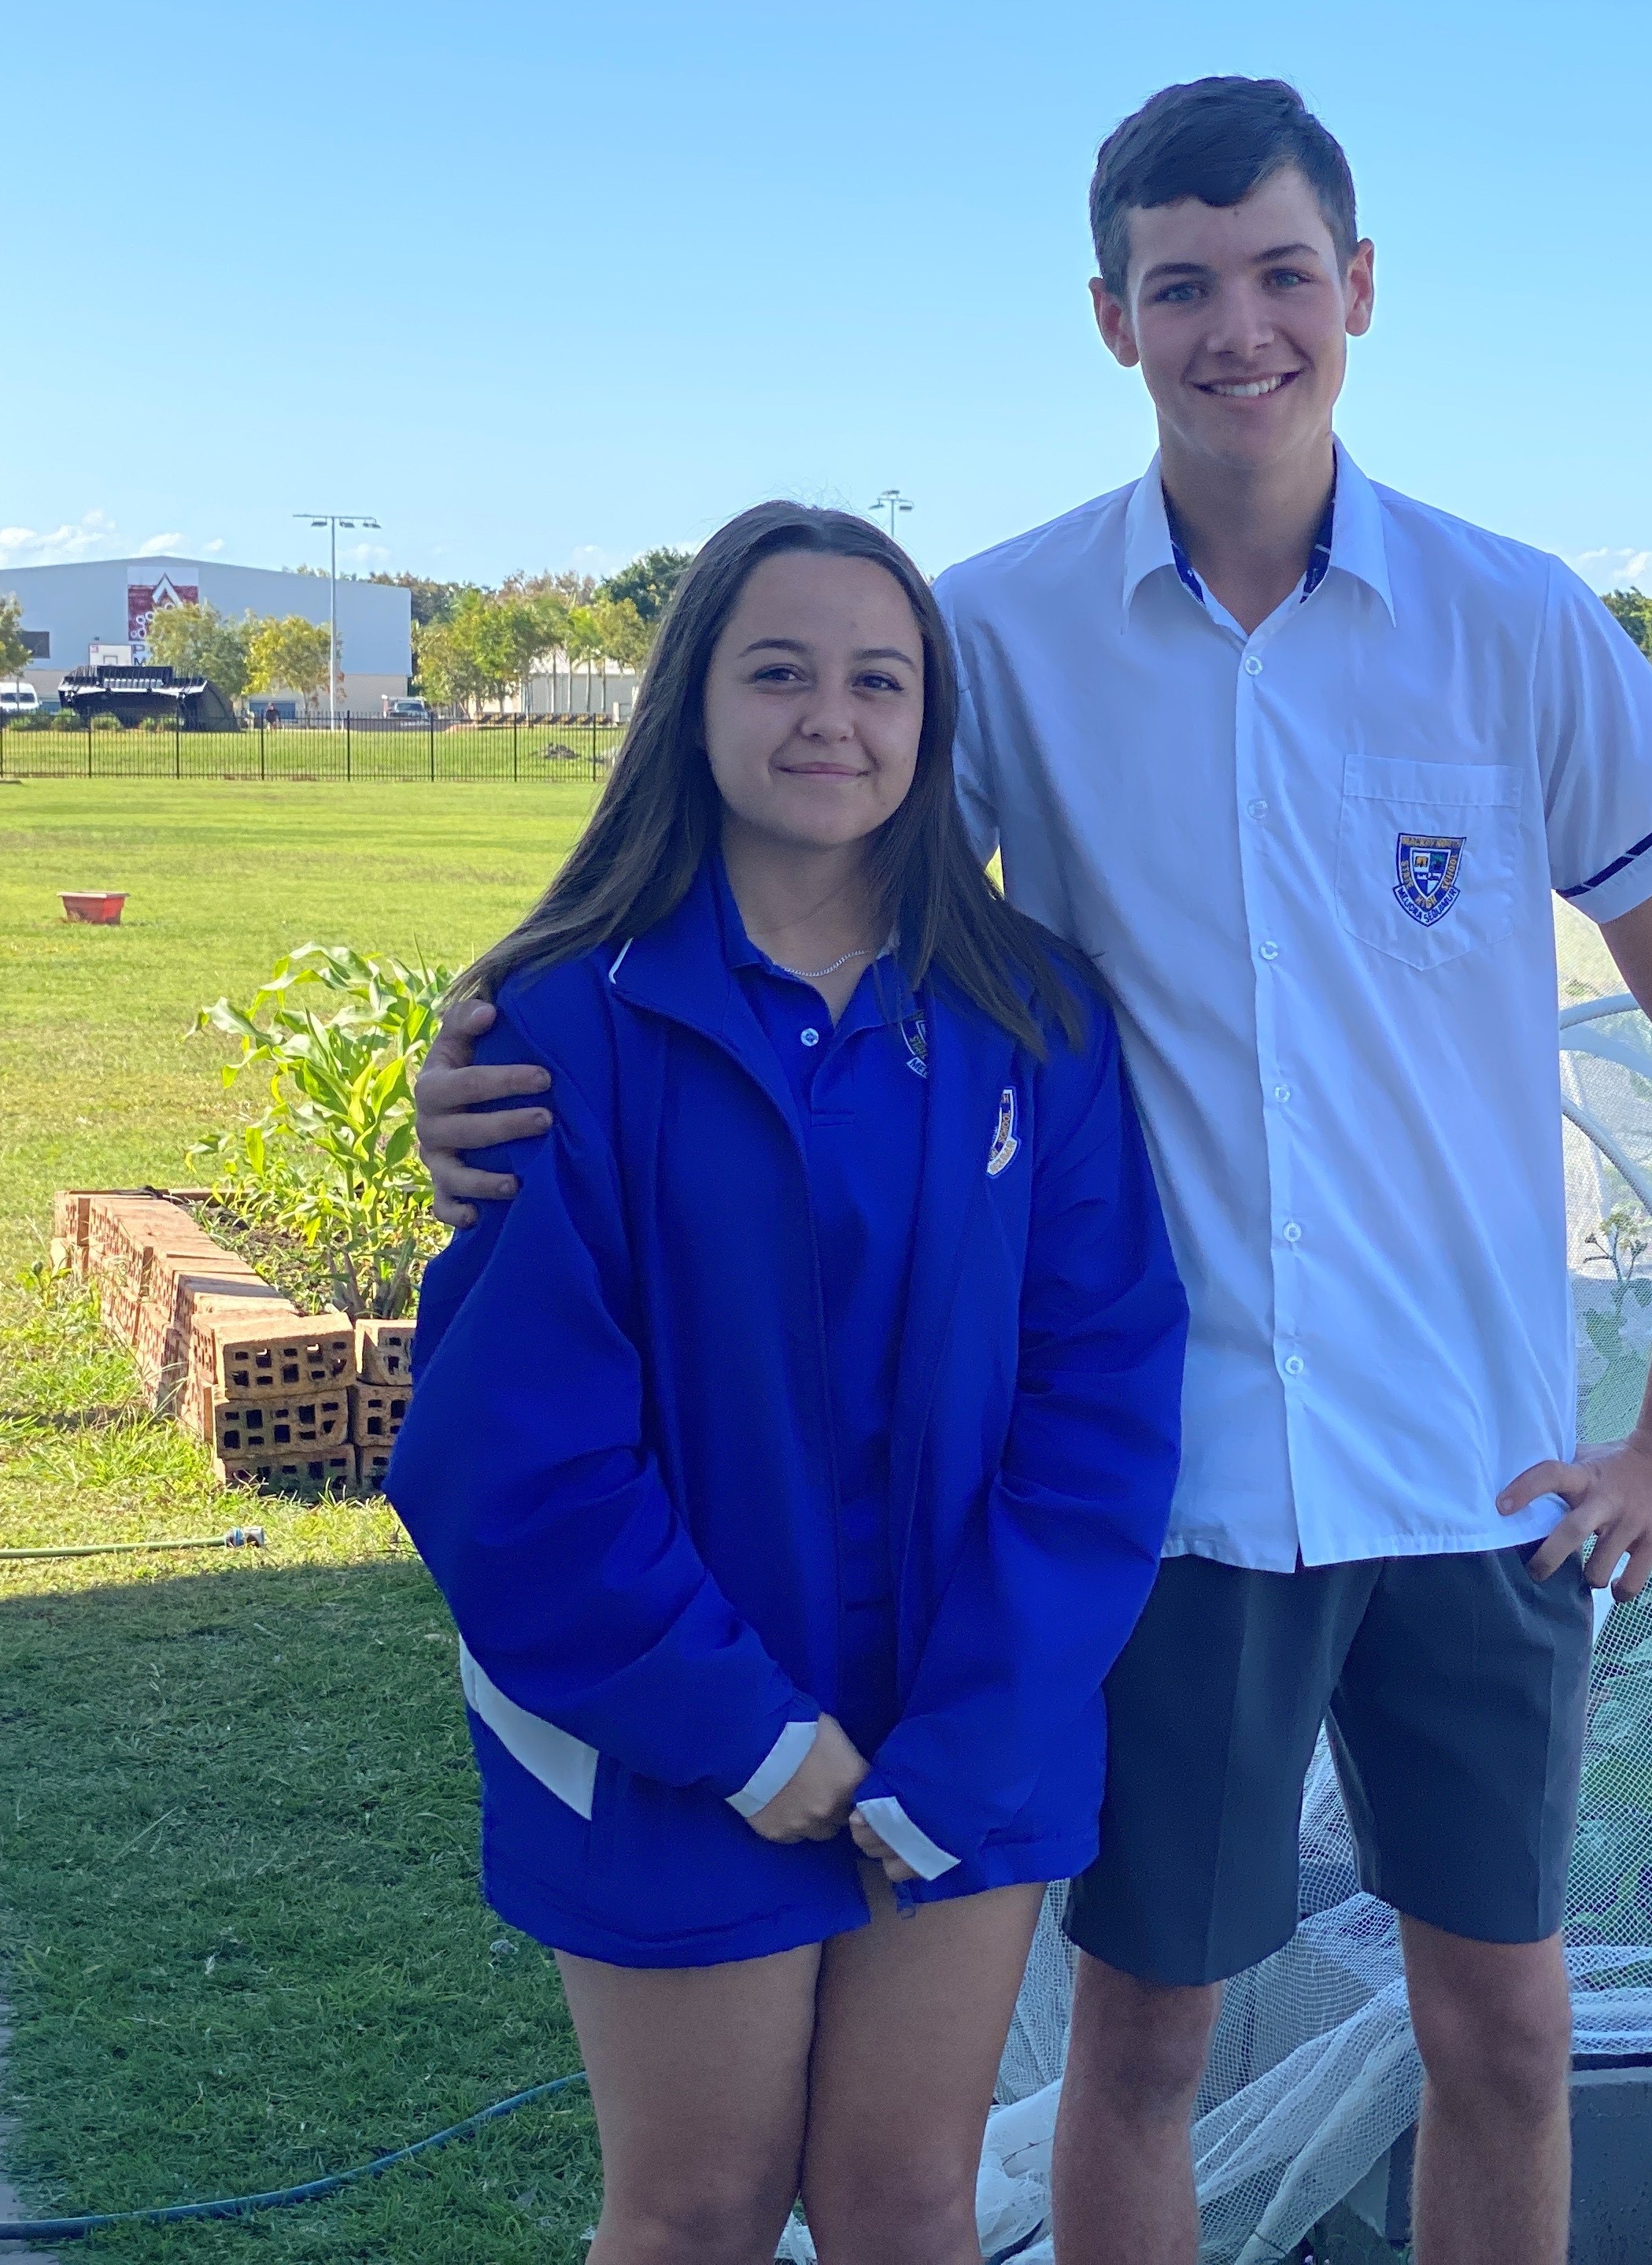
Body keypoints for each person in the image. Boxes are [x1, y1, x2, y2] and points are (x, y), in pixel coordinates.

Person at [416, 79, 1652, 2265]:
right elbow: (799, 907)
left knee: (1508, 2035)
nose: (1237, 326)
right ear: (1110, 316)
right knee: (1141, 2054)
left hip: (1481, 1474)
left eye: (1278, 274)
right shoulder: (995, 632)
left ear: (1359, 289)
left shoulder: (1516, 623)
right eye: (1180, 285)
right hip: (1184, 1489)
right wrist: (490, 1059)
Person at [384, 503, 1186, 2265]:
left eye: (878, 680)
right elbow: (518, 1459)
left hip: (956, 1717)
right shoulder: (558, 1023)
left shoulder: (1033, 1024)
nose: (833, 716)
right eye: (781, 671)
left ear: (929, 725)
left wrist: (970, 1736)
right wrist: (746, 1737)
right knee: (697, 2207)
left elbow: (1102, 1401)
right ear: (693, 704)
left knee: (908, 2204)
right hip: (665, 1721)